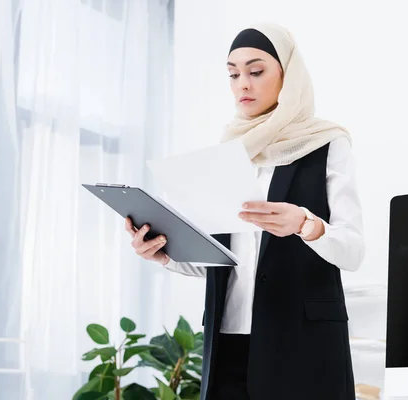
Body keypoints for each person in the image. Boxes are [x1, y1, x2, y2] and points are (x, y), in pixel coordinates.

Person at [125, 22, 365, 400]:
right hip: (227, 344)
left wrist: (306, 224)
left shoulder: (327, 144)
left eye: (256, 71)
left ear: (288, 75)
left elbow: (353, 250)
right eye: (233, 74)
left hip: (302, 344)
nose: (243, 84)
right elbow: (224, 263)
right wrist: (165, 255)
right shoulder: (230, 151)